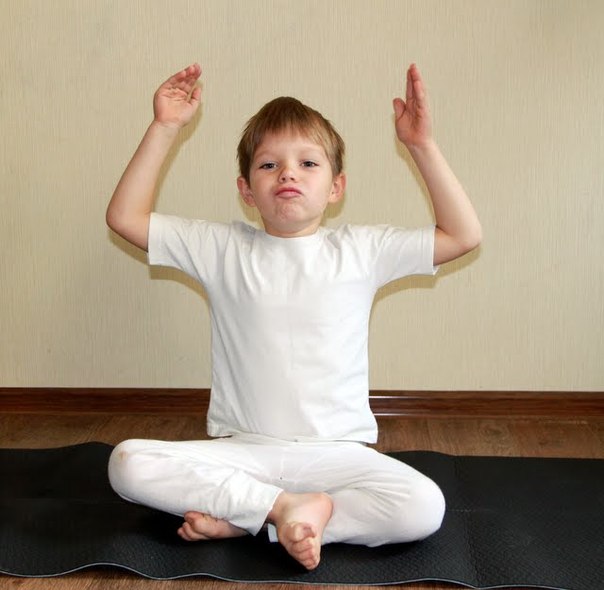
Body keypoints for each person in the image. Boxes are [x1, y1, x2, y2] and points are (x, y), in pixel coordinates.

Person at [106, 63, 481, 571]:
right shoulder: (221, 248)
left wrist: (422, 145)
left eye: (307, 163)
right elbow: (125, 218)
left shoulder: (362, 250)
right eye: (269, 165)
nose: (287, 174)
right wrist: (164, 127)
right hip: (247, 451)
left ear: (336, 187)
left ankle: (253, 517)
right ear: (246, 190)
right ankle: (282, 511)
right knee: (128, 463)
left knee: (423, 506)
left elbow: (462, 235)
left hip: (336, 454)